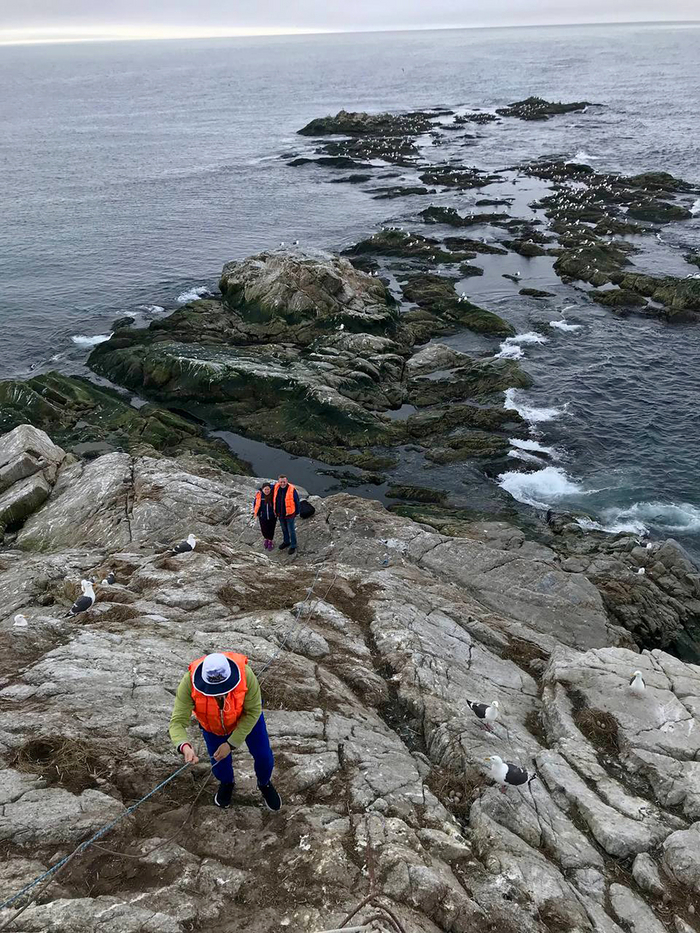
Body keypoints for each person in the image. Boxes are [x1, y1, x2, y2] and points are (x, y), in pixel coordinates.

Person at [169, 651, 282, 811]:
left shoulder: (246, 675)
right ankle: (227, 783)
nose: (220, 694)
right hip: (212, 725)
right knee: (219, 762)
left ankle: (264, 783)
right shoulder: (189, 683)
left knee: (264, 756)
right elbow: (177, 722)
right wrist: (184, 746)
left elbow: (254, 710)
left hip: (248, 718)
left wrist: (230, 744)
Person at [274, 474, 300, 554]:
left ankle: (293, 545)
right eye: (281, 482)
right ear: (278, 482)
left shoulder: (292, 490)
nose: (282, 483)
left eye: (284, 482)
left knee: (291, 530)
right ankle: (286, 541)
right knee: (284, 529)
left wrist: (297, 512)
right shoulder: (276, 488)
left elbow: (297, 501)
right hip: (280, 513)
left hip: (290, 514)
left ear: (287, 481)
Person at [253, 481, 276, 550]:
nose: (266, 491)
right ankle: (266, 538)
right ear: (262, 489)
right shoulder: (260, 496)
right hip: (262, 516)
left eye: (268, 489)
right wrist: (257, 513)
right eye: (265, 489)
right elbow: (256, 504)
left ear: (270, 489)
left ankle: (270, 541)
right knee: (264, 529)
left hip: (272, 516)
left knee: (271, 529)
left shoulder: (273, 495)